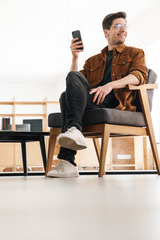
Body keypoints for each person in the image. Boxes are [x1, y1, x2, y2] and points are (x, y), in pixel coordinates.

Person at [47, 11, 148, 178]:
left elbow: (139, 76)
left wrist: (110, 85)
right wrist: (74, 58)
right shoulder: (93, 61)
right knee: (67, 92)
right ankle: (74, 132)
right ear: (106, 32)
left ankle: (68, 160)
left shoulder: (135, 53)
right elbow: (75, 84)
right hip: (95, 101)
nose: (123, 29)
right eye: (118, 26)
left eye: (125, 26)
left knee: (65, 97)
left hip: (116, 103)